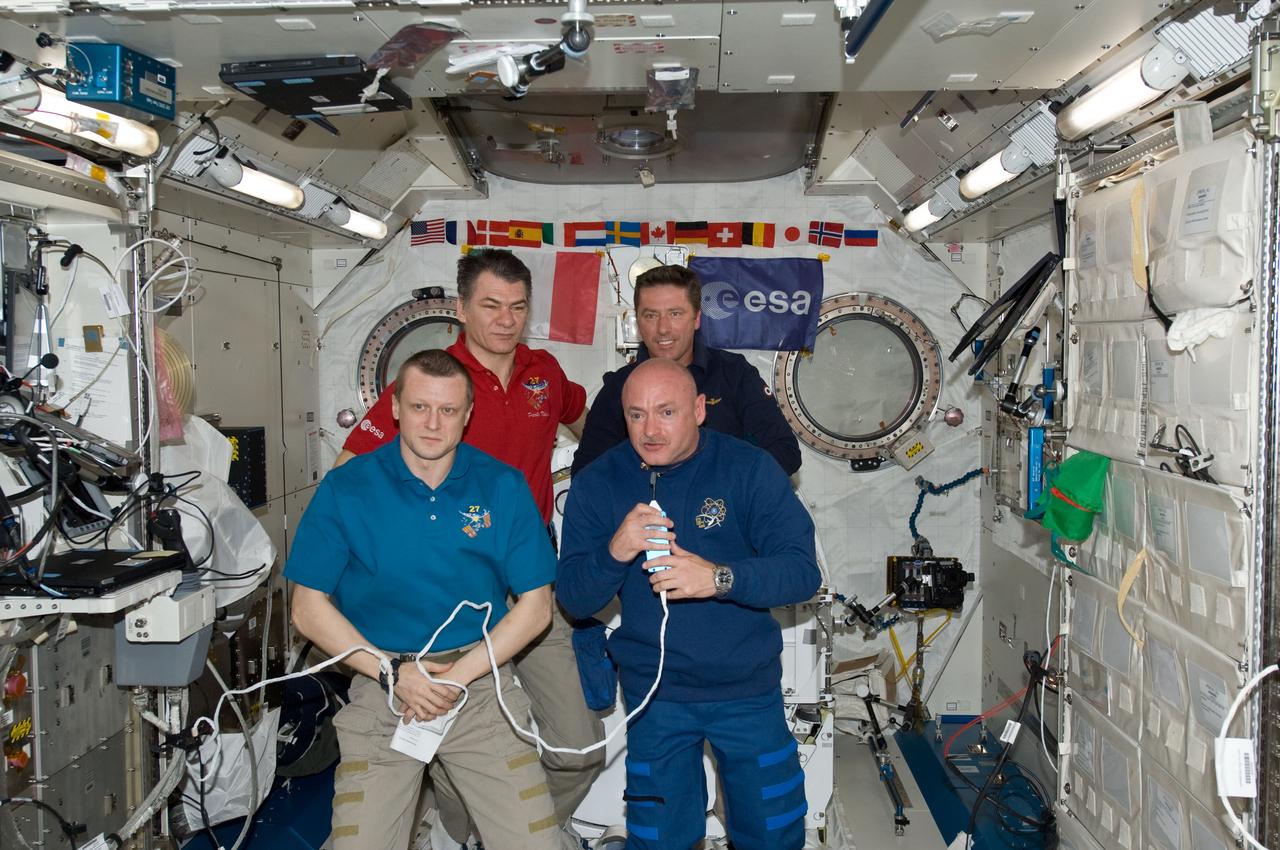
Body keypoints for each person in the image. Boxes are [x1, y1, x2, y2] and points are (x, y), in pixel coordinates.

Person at [334, 249, 603, 835]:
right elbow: (349, 469)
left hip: (530, 591)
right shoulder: (434, 382)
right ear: (460, 308)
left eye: (517, 307)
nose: (505, 319)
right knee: (450, 748)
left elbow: (587, 425)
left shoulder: (544, 372)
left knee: (579, 750)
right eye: (489, 305)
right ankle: (463, 829)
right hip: (449, 602)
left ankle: (484, 829)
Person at [286, 350, 565, 850]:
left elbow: (536, 606)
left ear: (469, 413)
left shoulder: (501, 486)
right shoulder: (347, 488)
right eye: (419, 408)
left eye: (449, 410)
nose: (433, 424)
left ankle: (448, 831)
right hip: (383, 686)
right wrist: (392, 672)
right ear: (394, 407)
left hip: (477, 689)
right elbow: (307, 607)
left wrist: (455, 680)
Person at [557, 358, 821, 850]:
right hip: (656, 697)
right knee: (660, 840)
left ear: (699, 409)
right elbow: (574, 598)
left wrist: (719, 578)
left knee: (772, 831)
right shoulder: (599, 482)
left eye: (666, 412)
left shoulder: (748, 468)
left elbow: (802, 573)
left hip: (746, 690)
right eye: (636, 415)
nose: (649, 430)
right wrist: (616, 549)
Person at [570, 263, 801, 477]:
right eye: (651, 315)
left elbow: (785, 452)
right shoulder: (618, 388)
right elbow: (587, 473)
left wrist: (725, 488)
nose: (663, 329)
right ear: (638, 323)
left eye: (675, 314)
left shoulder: (734, 374)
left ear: (697, 318)